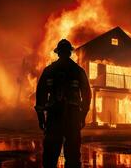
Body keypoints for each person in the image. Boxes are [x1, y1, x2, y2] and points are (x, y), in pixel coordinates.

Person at [35, 39, 91, 168]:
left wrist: (41, 118)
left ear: (58, 53)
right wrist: (82, 116)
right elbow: (87, 96)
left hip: (54, 117)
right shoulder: (78, 71)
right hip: (73, 117)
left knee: (50, 155)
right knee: (72, 155)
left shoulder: (49, 70)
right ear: (70, 53)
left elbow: (41, 95)